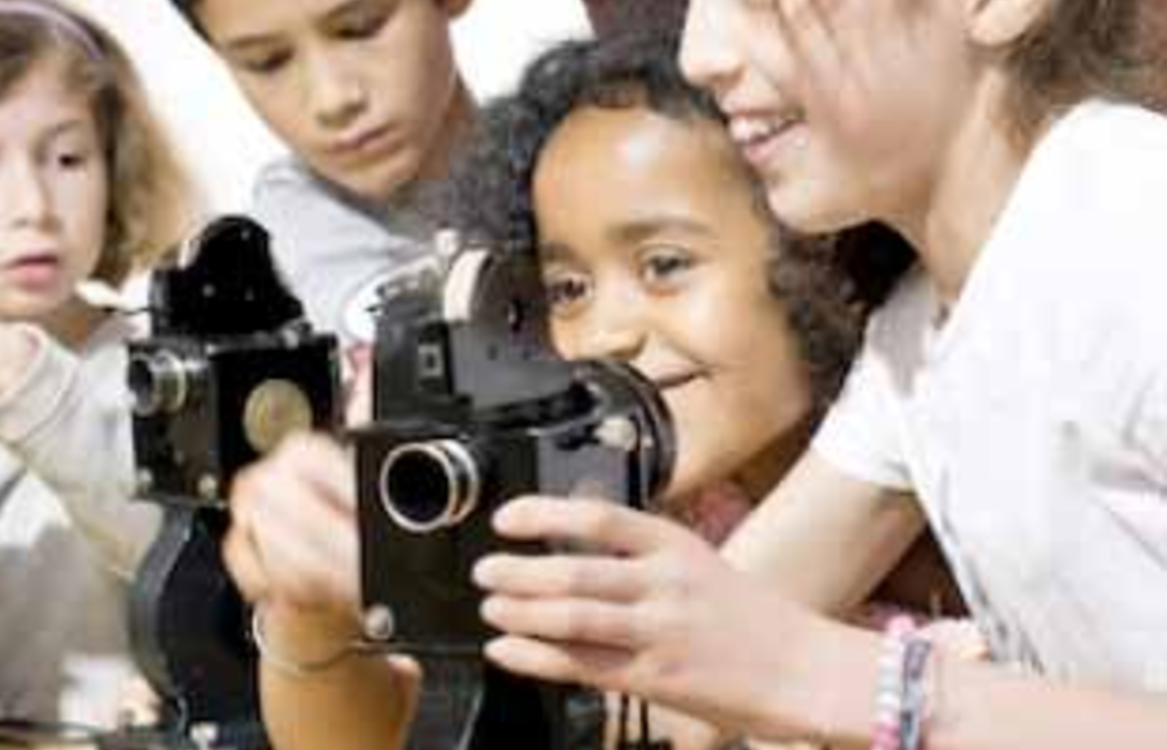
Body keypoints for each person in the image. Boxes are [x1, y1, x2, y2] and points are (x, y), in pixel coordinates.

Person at [223, 28, 970, 750]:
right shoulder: (614, 516)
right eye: (569, 287)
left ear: (821, 243)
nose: (609, 332)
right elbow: (389, 733)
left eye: (665, 265)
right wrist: (305, 608)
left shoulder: (956, 427)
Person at [467, 0, 1167, 747]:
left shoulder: (1132, 231)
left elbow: (777, 664)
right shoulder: (919, 332)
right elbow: (692, 677)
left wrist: (835, 679)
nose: (704, 53)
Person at [0, 0, 194, 730]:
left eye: (67, 159)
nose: (34, 206)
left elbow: (176, 550)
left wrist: (21, 380)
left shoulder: (165, 371)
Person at [165, 0, 476, 347]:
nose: (333, 100)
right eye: (267, 61)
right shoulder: (256, 287)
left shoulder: (544, 177)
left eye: (360, 27)